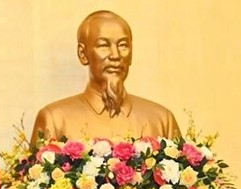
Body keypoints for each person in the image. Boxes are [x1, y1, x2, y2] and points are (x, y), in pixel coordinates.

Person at [31, 10, 180, 141]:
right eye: (103, 45)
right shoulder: (55, 119)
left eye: (123, 45)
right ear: (83, 54)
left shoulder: (162, 120)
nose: (115, 55)